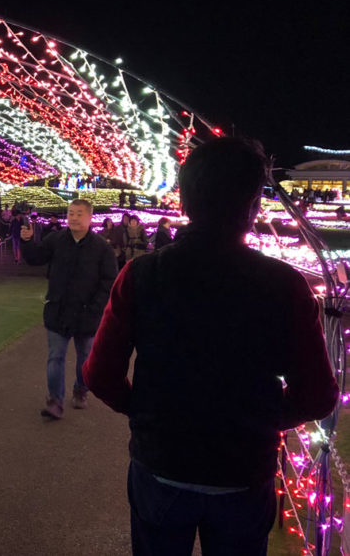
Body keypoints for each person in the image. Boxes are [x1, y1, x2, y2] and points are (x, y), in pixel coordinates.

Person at [83, 137, 339, 556]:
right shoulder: (285, 286)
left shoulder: (142, 275)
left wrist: (147, 411)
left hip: (163, 466)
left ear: (184, 201)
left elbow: (99, 374)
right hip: (243, 472)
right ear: (254, 205)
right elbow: (319, 395)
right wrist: (264, 418)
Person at [20, 199, 117, 419]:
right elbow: (36, 257)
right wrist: (26, 242)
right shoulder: (56, 239)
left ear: (90, 218)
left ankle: (81, 390)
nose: (73, 217)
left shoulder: (102, 247)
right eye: (71, 213)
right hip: (58, 310)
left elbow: (109, 281)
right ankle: (55, 400)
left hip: (87, 313)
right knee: (56, 357)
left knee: (85, 357)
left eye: (79, 213)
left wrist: (96, 308)